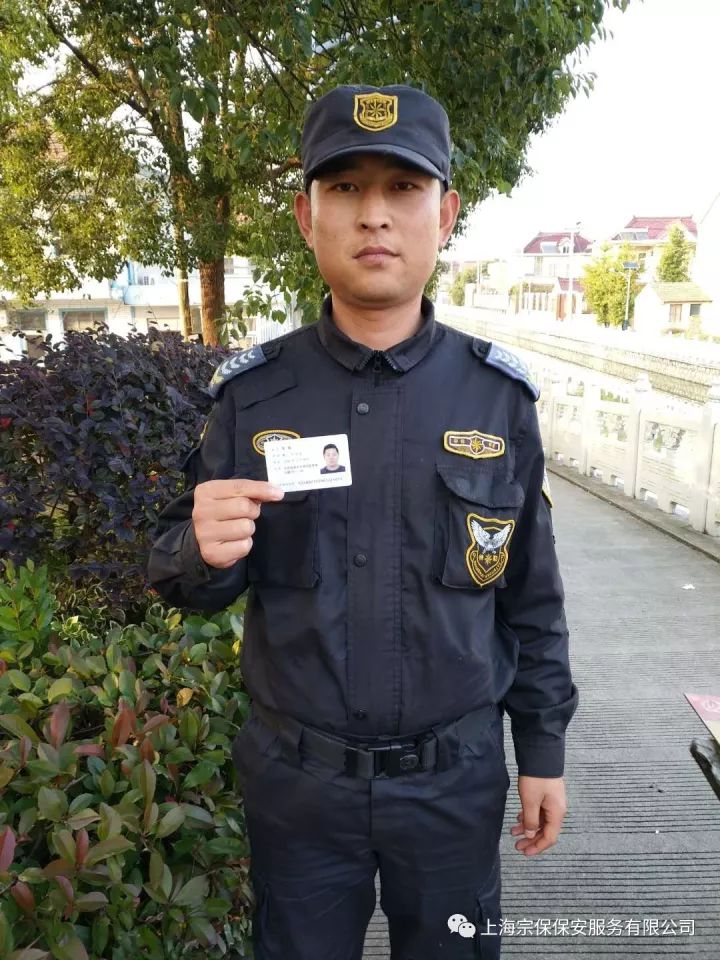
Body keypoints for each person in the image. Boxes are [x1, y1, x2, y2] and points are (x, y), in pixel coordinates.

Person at [147, 83, 579, 960]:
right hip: (298, 788)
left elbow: (531, 597)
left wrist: (543, 748)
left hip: (454, 783)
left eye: (402, 187)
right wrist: (201, 550)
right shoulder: (253, 397)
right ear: (307, 217)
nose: (374, 214)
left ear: (445, 214)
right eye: (345, 188)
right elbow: (183, 576)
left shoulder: (497, 399)